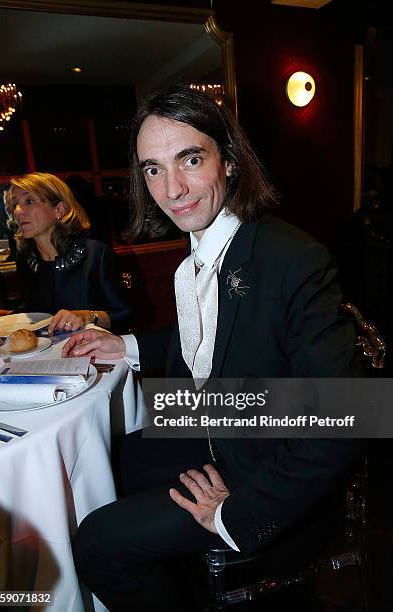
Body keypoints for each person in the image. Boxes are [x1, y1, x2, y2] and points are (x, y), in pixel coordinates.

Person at [63, 86, 364, 611]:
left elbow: (343, 419)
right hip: (218, 426)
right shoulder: (202, 248)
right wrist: (128, 347)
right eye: (153, 169)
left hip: (264, 468)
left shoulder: (293, 260)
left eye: (190, 159)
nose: (172, 187)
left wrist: (235, 513)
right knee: (102, 461)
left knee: (96, 543)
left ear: (229, 161)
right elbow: (214, 343)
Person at [4, 173, 131, 335]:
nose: (18, 212)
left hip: (92, 352)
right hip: (46, 357)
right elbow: (31, 311)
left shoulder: (95, 254)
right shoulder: (26, 259)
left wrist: (85, 317)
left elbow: (125, 315)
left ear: (59, 209)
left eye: (29, 201)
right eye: (15, 205)